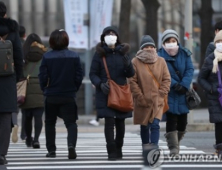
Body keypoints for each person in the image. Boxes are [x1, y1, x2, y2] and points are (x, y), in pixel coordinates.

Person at [89, 26, 135, 160]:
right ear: (103, 37)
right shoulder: (99, 54)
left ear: (117, 37)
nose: (110, 36)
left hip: (121, 92)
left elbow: (131, 74)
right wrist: (100, 84)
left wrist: (128, 65)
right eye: (108, 34)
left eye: (113, 33)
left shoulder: (124, 53)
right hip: (106, 93)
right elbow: (93, 74)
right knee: (109, 123)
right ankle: (111, 150)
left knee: (120, 123)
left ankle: (119, 147)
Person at [39, 29, 83, 159]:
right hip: (68, 94)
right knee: (71, 123)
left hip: (51, 94)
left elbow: (42, 76)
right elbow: (79, 75)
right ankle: (71, 146)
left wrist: (45, 89)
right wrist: (74, 88)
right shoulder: (74, 56)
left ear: (51, 41)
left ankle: (51, 150)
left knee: (50, 123)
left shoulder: (47, 56)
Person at [129, 35, 171, 152]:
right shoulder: (135, 62)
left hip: (158, 100)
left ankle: (154, 147)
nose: (149, 49)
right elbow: (132, 81)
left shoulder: (161, 61)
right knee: (144, 125)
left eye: (151, 46)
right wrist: (140, 97)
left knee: (155, 125)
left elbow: (166, 79)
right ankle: (145, 146)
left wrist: (162, 93)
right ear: (141, 48)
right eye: (146, 46)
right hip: (142, 100)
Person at [157, 29, 194, 156]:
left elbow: (190, 69)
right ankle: (173, 148)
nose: (171, 43)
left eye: (173, 41)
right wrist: (174, 84)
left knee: (183, 122)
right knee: (171, 119)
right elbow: (160, 73)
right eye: (168, 41)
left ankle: (176, 142)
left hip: (183, 92)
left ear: (177, 41)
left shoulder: (185, 53)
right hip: (169, 92)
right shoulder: (159, 55)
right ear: (164, 42)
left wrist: (184, 84)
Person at [0, 1, 23, 165]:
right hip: (7, 78)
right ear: (4, 13)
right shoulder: (13, 31)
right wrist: (19, 76)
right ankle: (1, 154)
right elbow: (18, 56)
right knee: (6, 116)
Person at [19, 33, 46, 148]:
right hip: (40, 86)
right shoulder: (44, 54)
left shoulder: (23, 54)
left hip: (26, 87)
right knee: (38, 116)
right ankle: (36, 139)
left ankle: (28, 138)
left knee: (27, 116)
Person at [198, 30, 222, 158]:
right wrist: (211, 89)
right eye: (218, 41)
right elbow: (201, 78)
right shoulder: (210, 59)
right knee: (219, 123)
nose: (220, 44)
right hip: (216, 96)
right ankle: (219, 148)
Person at [11, 25, 27, 143]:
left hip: (12, 78)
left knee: (13, 106)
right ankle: (24, 133)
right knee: (26, 107)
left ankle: (14, 123)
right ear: (24, 35)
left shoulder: (10, 43)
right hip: (26, 79)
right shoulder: (27, 45)